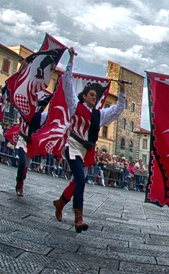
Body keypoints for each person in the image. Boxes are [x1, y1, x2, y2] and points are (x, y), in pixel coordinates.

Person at [51, 49, 127, 233]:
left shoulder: (99, 116)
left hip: (87, 151)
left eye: (96, 95)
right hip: (73, 147)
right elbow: (67, 83)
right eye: (91, 94)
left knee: (77, 182)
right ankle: (78, 219)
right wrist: (71, 60)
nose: (94, 97)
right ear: (84, 96)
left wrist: (123, 91)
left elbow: (117, 109)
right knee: (80, 181)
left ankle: (60, 202)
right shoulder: (74, 106)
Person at [15, 92, 53, 196]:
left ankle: (21, 180)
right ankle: (19, 182)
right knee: (22, 163)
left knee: (26, 165)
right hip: (22, 140)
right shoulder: (22, 111)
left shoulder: (39, 116)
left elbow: (50, 114)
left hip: (30, 143)